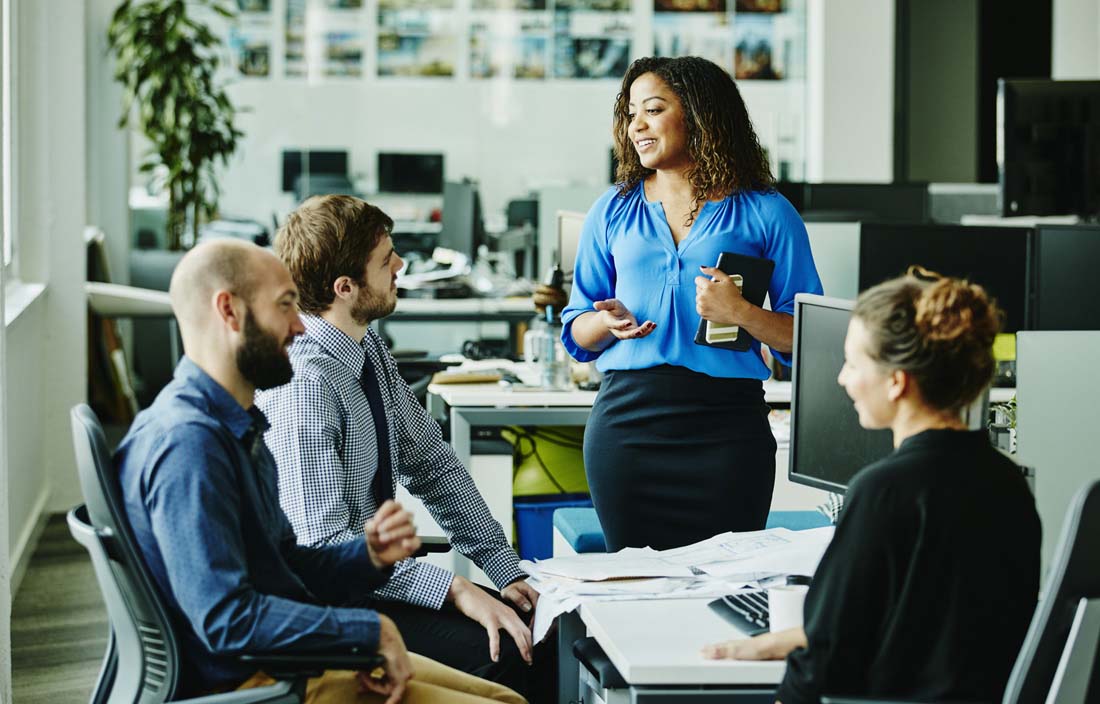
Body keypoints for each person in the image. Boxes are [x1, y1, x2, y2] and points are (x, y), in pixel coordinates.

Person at [115, 239, 525, 704]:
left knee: (509, 697)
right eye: (285, 307)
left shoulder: (235, 420)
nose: (298, 327)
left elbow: (284, 562)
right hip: (260, 680)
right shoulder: (189, 444)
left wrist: (367, 555)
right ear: (229, 312)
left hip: (291, 658)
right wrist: (366, 630)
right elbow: (227, 620)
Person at [701, 269, 1041, 704]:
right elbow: (928, 623)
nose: (842, 379)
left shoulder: (883, 491)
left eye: (854, 364)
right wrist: (781, 639)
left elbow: (824, 661)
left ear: (897, 382)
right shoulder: (1008, 481)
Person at [256, 195, 549, 699]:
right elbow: (325, 547)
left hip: (375, 582)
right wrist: (454, 589)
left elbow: (433, 465)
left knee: (535, 627)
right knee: (505, 656)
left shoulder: (366, 347)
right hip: (334, 604)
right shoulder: (307, 386)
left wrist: (504, 569)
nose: (400, 265)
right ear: (345, 288)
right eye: (385, 258)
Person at [561, 56, 823, 551]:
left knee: (729, 587)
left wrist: (742, 313)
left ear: (700, 115)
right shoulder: (613, 208)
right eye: (631, 112)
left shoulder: (767, 211)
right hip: (627, 429)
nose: (636, 125)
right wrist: (603, 321)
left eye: (653, 109)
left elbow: (810, 340)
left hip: (727, 433)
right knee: (636, 586)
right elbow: (575, 331)